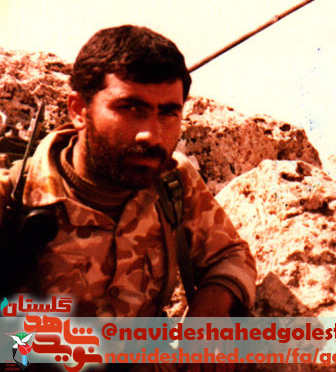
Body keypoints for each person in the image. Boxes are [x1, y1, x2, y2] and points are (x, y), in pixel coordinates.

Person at [0, 25, 257, 317]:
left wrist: (208, 313)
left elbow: (230, 255)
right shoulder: (11, 197)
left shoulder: (173, 182)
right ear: (79, 110)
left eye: (168, 113)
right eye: (131, 109)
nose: (152, 135)